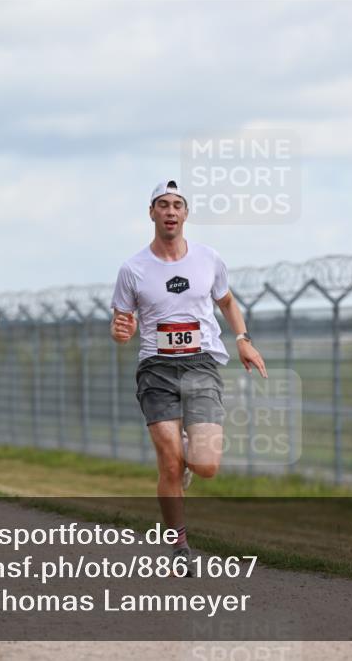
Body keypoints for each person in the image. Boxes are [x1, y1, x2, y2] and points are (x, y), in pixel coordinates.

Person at [110, 180, 267, 575]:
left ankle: (188, 456)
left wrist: (244, 340)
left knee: (207, 464)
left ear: (185, 213)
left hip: (201, 365)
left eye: (177, 205)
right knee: (168, 460)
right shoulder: (133, 269)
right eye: (162, 205)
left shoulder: (208, 258)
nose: (170, 211)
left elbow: (227, 302)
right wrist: (120, 331)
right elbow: (121, 321)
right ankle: (179, 544)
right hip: (156, 368)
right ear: (151, 213)